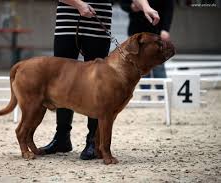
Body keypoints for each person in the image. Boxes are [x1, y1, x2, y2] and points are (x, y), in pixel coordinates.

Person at [39, 0, 160, 160]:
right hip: (67, 22)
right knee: (64, 83)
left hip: (98, 24)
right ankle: (62, 137)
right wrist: (78, 4)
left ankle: (93, 142)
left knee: (99, 88)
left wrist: (146, 7)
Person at [121, 0, 174, 100]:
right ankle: (146, 93)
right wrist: (131, 7)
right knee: (140, 65)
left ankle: (163, 94)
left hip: (156, 31)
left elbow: (169, 8)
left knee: (159, 64)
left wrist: (165, 29)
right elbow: (123, 4)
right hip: (136, 34)